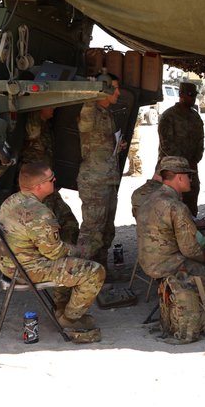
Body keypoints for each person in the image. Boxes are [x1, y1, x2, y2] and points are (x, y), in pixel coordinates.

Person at [137, 156, 205, 342]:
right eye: (188, 176)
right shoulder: (176, 207)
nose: (191, 180)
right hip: (170, 264)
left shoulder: (148, 199)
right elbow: (190, 250)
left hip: (149, 262)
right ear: (178, 178)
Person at [0, 161, 105, 332]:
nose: (55, 181)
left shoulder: (11, 201)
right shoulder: (39, 213)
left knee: (68, 255)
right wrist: (82, 251)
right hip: (28, 270)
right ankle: (70, 319)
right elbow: (55, 254)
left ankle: (61, 302)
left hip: (10, 265)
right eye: (51, 179)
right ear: (39, 186)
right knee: (95, 271)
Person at [77, 74, 122, 270]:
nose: (118, 92)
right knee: (92, 232)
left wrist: (116, 145)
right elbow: (85, 125)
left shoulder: (106, 113)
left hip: (108, 179)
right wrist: (90, 93)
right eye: (115, 88)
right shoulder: (91, 110)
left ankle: (100, 274)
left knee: (106, 231)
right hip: (95, 182)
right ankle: (82, 275)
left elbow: (99, 143)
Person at [20, 106, 79, 245]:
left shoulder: (46, 126)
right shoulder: (34, 126)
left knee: (69, 222)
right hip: (37, 187)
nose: (53, 108)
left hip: (48, 186)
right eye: (50, 106)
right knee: (47, 227)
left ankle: (67, 254)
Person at [158, 81, 205, 215]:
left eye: (194, 95)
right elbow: (166, 145)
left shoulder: (195, 116)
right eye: (190, 95)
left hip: (191, 168)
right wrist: (183, 164)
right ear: (181, 95)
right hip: (172, 170)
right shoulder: (169, 116)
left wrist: (195, 160)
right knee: (171, 204)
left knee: (191, 200)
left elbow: (200, 141)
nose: (193, 98)